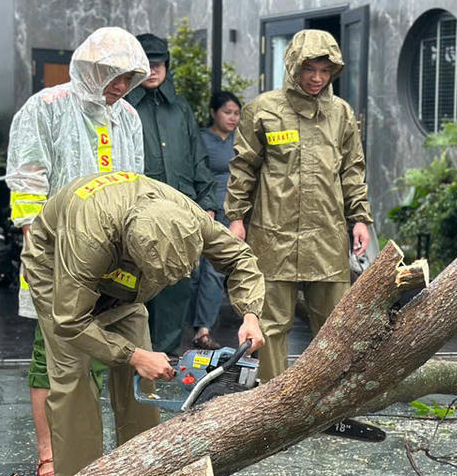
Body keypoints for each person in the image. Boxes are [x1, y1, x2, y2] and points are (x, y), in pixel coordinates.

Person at [21, 171, 265, 476]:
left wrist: (250, 315)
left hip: (123, 280)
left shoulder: (189, 219)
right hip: (57, 264)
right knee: (74, 377)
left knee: (140, 372)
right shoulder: (89, 238)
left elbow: (240, 258)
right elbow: (71, 321)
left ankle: (143, 471)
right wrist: (134, 355)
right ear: (135, 255)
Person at [5, 27, 149, 476]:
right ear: (88, 67)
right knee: (56, 353)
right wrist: (37, 249)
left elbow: (137, 184)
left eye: (128, 76)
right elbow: (27, 181)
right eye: (112, 74)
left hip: (116, 258)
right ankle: (52, 454)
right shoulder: (46, 108)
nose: (121, 85)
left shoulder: (127, 116)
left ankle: (126, 452)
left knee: (119, 348)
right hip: (58, 254)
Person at [225, 29, 373, 381]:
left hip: (326, 233)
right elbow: (244, 167)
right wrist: (236, 218)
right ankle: (273, 398)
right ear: (293, 66)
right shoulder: (262, 110)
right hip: (273, 234)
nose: (317, 78)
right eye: (310, 69)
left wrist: (360, 219)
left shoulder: (340, 114)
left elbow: (352, 169)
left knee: (335, 321)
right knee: (271, 323)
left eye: (325, 70)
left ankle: (327, 395)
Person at [125, 33, 217, 354]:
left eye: (159, 64)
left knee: (177, 284)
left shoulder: (180, 109)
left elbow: (198, 158)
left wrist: (207, 203)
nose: (153, 71)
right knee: (137, 284)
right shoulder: (123, 108)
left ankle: (167, 353)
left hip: (180, 210)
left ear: (167, 66)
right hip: (137, 212)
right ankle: (138, 354)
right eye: (146, 65)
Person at [188, 91, 242, 349]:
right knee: (195, 271)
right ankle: (193, 325)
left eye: (236, 113)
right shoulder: (201, 139)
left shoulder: (240, 140)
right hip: (204, 210)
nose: (232, 118)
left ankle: (203, 329)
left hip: (232, 213)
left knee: (214, 270)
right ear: (213, 113)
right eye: (227, 112)